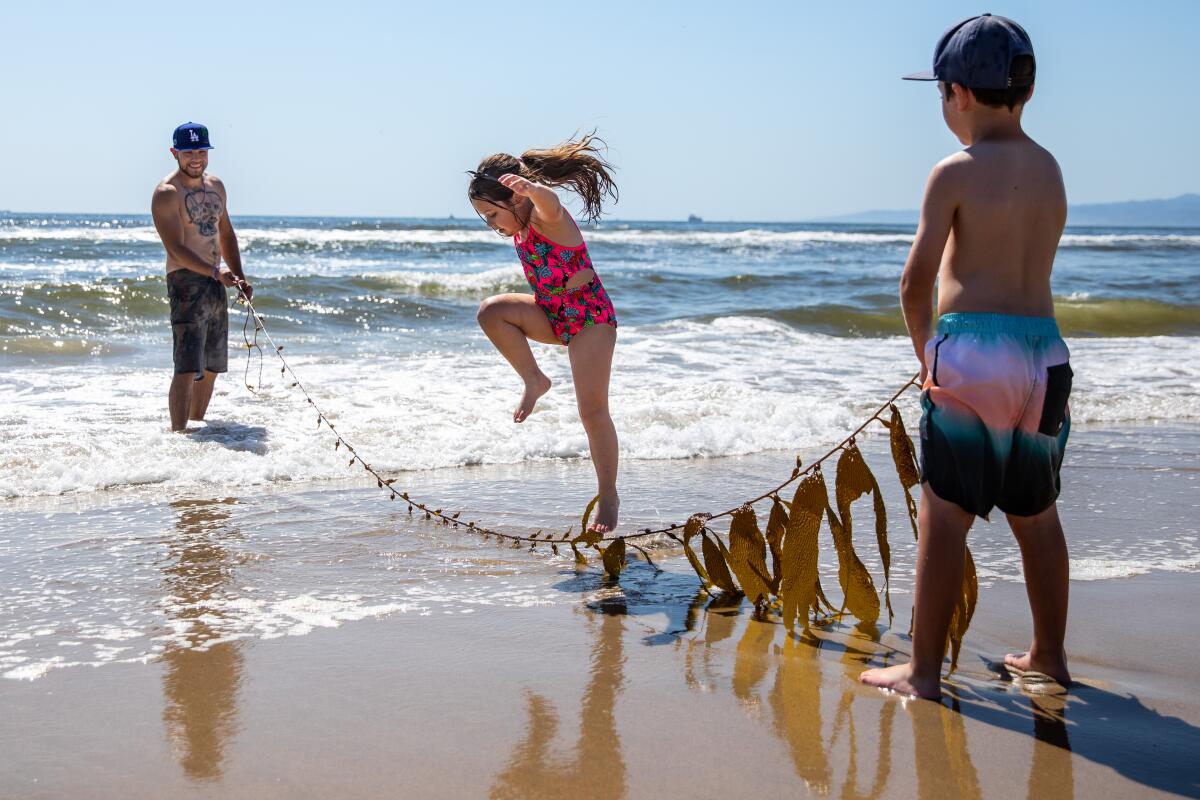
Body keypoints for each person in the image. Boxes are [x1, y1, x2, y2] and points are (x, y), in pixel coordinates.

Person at [859, 15, 1073, 699]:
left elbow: (914, 282)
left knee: (943, 517)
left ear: (958, 94)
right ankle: (1049, 655)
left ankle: (922, 673)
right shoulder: (1049, 169)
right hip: (1044, 357)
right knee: (1037, 518)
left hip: (973, 354)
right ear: (1026, 91)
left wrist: (928, 355)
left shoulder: (953, 172)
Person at [467, 134, 620, 533]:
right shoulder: (519, 229)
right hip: (552, 314)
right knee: (491, 312)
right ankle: (534, 378)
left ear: (515, 198)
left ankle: (608, 494)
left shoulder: (543, 215)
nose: (491, 224)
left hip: (590, 319)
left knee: (592, 411)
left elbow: (551, 204)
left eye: (491, 214)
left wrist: (534, 190)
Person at [151, 122, 252, 432]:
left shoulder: (216, 186)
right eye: (188, 152)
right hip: (185, 281)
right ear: (174, 153)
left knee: (211, 365)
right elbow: (177, 248)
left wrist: (238, 275)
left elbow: (226, 233)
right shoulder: (167, 193)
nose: (196, 158)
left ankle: (199, 428)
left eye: (201, 151)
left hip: (216, 280)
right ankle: (178, 436)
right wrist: (214, 271)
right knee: (186, 365)